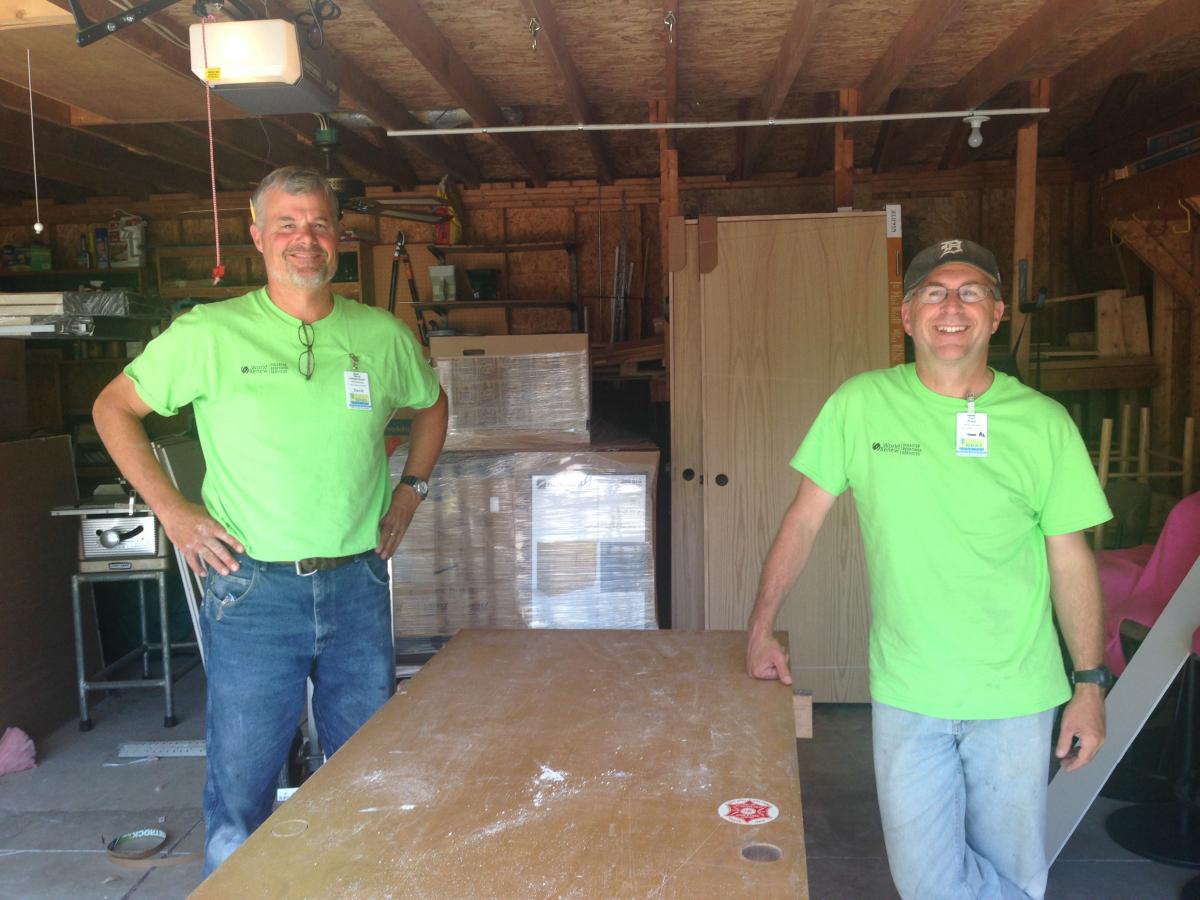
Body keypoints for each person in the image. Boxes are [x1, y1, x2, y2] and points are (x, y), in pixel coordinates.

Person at [93, 166, 448, 875]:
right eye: (287, 224)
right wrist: (174, 511)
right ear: (257, 236)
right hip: (252, 590)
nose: (304, 239)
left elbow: (432, 406)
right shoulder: (211, 333)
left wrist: (411, 491)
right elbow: (114, 407)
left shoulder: (380, 335)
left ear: (339, 235)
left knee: (367, 771)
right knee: (243, 784)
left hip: (356, 584)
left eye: (318, 223)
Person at [745, 239, 1112, 899]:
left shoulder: (1044, 424)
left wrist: (1089, 682)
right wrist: (760, 626)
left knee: (1015, 873)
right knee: (927, 883)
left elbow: (1070, 557)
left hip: (1017, 695)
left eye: (971, 292)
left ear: (996, 314)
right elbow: (803, 519)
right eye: (935, 293)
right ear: (908, 315)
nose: (952, 307)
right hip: (909, 688)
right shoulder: (860, 404)